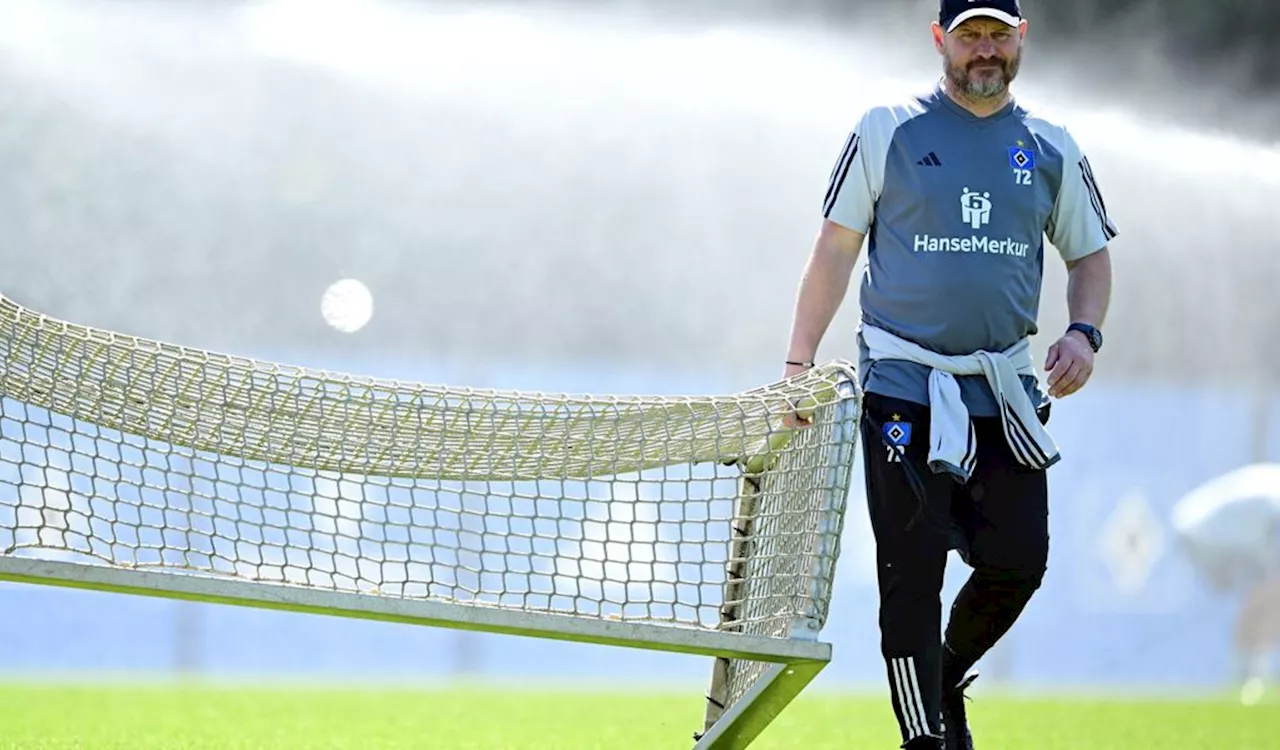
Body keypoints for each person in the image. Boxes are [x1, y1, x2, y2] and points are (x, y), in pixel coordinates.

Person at [780, 1, 1116, 747]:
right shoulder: (886, 128)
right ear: (941, 41)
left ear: (1021, 40)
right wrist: (798, 363)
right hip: (903, 383)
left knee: (1018, 562)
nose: (986, 51)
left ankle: (945, 676)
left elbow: (1090, 257)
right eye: (970, 37)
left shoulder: (1051, 145)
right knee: (912, 565)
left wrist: (1086, 334)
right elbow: (835, 249)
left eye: (999, 35)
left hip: (1003, 389)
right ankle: (924, 735)